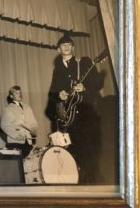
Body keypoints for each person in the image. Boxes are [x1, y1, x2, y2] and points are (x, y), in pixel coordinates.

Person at [46, 35, 104, 184]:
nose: (66, 47)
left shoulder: (84, 62)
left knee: (90, 153)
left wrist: (85, 87)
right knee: (74, 153)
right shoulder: (57, 70)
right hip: (69, 119)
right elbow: (51, 93)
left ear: (73, 47)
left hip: (86, 115)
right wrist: (59, 94)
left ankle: (95, 186)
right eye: (62, 45)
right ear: (58, 49)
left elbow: (99, 81)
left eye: (68, 44)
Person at [0, 86, 38, 158]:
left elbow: (33, 122)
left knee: (28, 163)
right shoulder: (8, 109)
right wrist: (16, 135)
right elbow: (4, 125)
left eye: (20, 92)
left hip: (28, 142)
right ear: (11, 96)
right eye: (16, 93)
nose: (19, 94)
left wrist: (34, 129)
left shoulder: (27, 107)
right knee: (17, 165)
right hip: (15, 142)